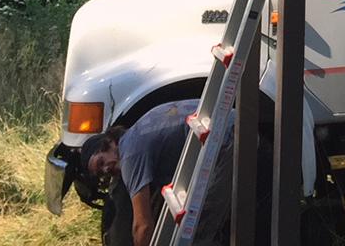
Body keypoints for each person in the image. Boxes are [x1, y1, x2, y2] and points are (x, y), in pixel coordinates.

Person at [80, 99, 236, 246]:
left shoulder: (130, 155)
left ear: (109, 142)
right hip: (232, 124)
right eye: (101, 173)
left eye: (101, 162)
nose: (106, 169)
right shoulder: (137, 131)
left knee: (196, 234)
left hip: (227, 143)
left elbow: (143, 226)